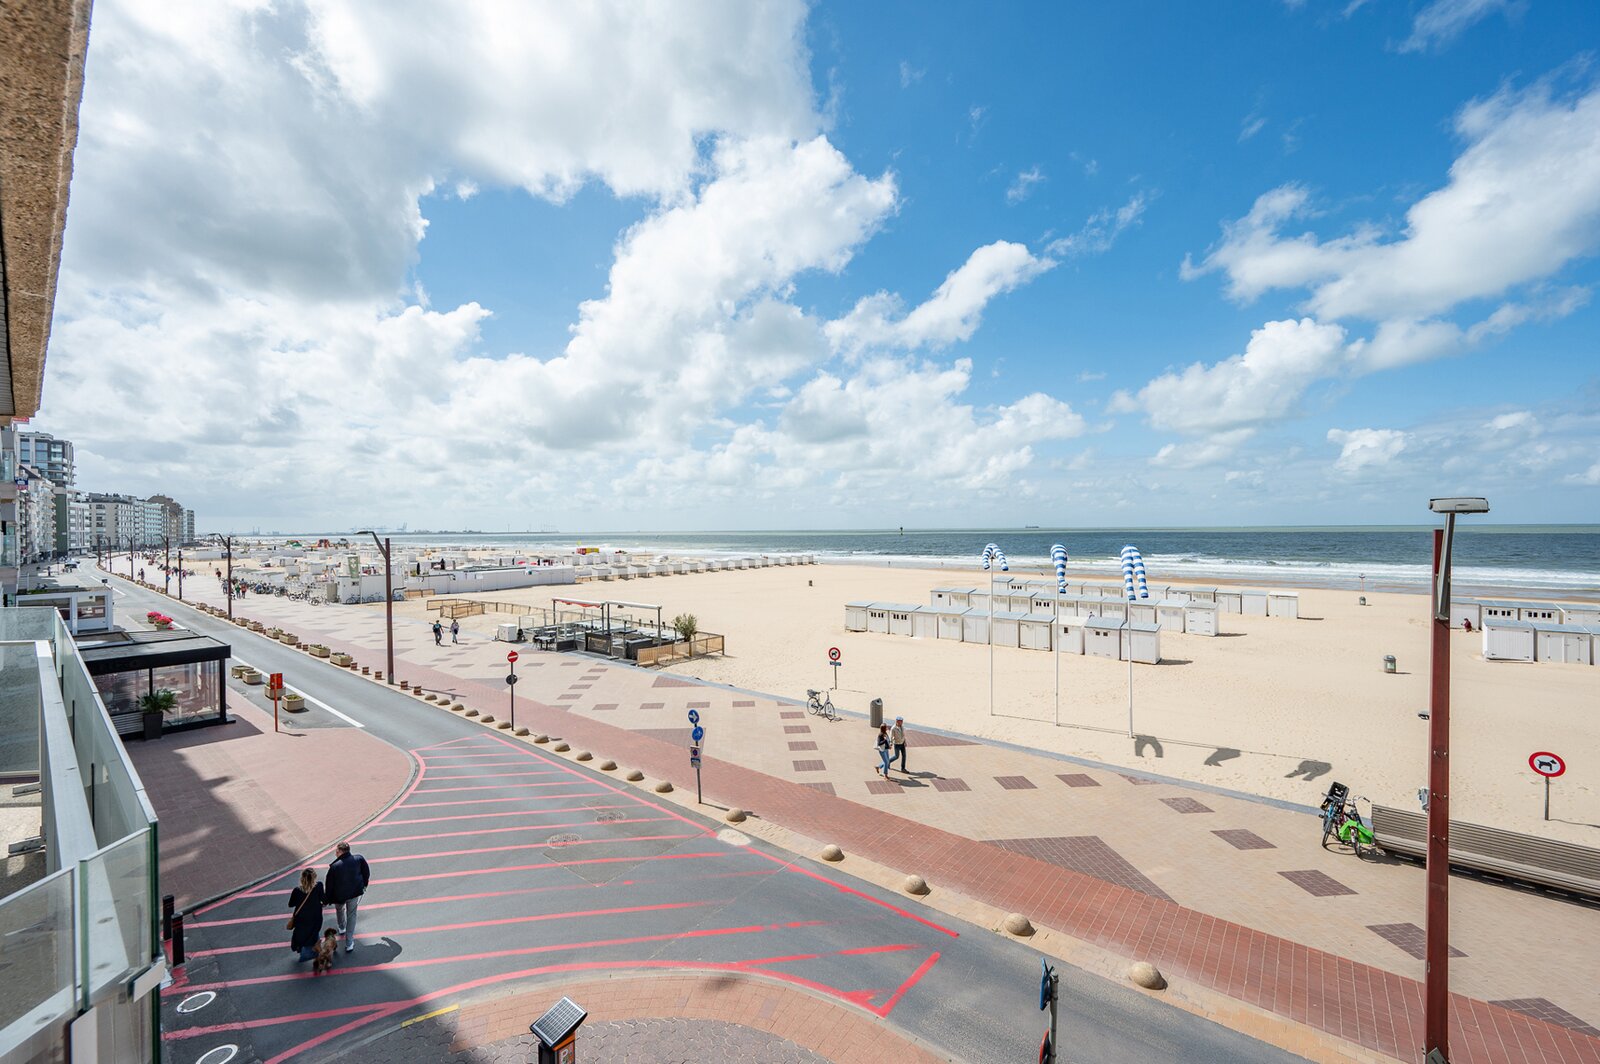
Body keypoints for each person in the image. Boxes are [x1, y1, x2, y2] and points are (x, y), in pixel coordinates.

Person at [325, 841, 370, 953]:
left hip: (339, 896)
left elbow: (329, 885)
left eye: (336, 851)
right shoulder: (359, 859)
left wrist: (326, 899)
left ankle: (341, 927)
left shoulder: (334, 866)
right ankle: (349, 943)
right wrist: (364, 885)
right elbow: (366, 873)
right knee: (352, 915)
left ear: (341, 852)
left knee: (339, 909)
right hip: (354, 893)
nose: (335, 853)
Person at [286, 868, 325, 962]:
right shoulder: (319, 886)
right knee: (314, 932)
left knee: (301, 934)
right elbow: (324, 899)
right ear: (314, 878)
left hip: (301, 918)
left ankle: (302, 949)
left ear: (302, 878)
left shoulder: (297, 890)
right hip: (315, 917)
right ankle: (316, 949)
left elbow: (291, 904)